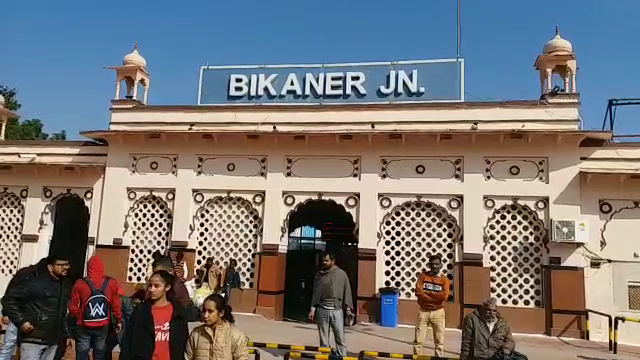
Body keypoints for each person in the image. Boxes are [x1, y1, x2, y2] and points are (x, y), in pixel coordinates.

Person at [2, 255, 73, 360]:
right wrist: (21, 321)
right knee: (8, 346)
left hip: (53, 339)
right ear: (50, 267)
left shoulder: (64, 284)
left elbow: (62, 312)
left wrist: (67, 334)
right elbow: (9, 299)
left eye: (67, 265)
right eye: (61, 265)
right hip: (33, 337)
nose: (65, 268)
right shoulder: (34, 282)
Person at [120, 270, 189, 360]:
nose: (152, 289)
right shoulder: (141, 310)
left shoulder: (178, 311)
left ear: (167, 287)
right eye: (150, 286)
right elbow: (128, 340)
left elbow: (183, 339)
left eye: (157, 286)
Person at [68, 256, 122, 360]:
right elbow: (116, 305)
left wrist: (74, 321)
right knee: (100, 351)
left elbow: (73, 308)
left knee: (82, 351)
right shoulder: (111, 283)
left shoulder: (80, 283)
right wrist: (118, 320)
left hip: (83, 324)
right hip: (103, 323)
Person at [0, 258, 48, 360]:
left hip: (25, 314)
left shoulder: (26, 273)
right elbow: (9, 295)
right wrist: (6, 312)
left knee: (11, 344)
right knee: (10, 343)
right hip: (18, 312)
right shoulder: (26, 275)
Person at [308, 252, 354, 356]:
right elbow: (316, 293)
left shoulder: (341, 274)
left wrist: (348, 310)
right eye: (323, 260)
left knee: (340, 337)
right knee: (324, 338)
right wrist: (312, 310)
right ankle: (325, 357)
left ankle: (342, 356)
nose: (324, 262)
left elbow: (346, 292)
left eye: (327, 260)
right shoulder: (319, 275)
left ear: (333, 261)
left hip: (336, 311)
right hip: (322, 310)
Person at [185, 294, 248, 360]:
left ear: (221, 313)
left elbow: (242, 357)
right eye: (204, 311)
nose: (205, 315)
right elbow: (188, 357)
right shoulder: (196, 334)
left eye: (210, 311)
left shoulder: (235, 335)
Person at [413, 254, 450, 357]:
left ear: (441, 265)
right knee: (418, 340)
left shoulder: (444, 280)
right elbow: (418, 291)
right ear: (429, 265)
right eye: (432, 264)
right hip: (423, 311)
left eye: (437, 264)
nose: (434, 266)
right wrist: (434, 297)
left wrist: (427, 293)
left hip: (438, 312)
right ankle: (417, 358)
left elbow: (444, 296)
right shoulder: (423, 276)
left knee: (439, 342)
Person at [105, 284, 134, 358]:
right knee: (107, 348)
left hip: (121, 329)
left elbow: (130, 316)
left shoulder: (124, 300)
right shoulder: (110, 300)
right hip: (113, 329)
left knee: (123, 349)